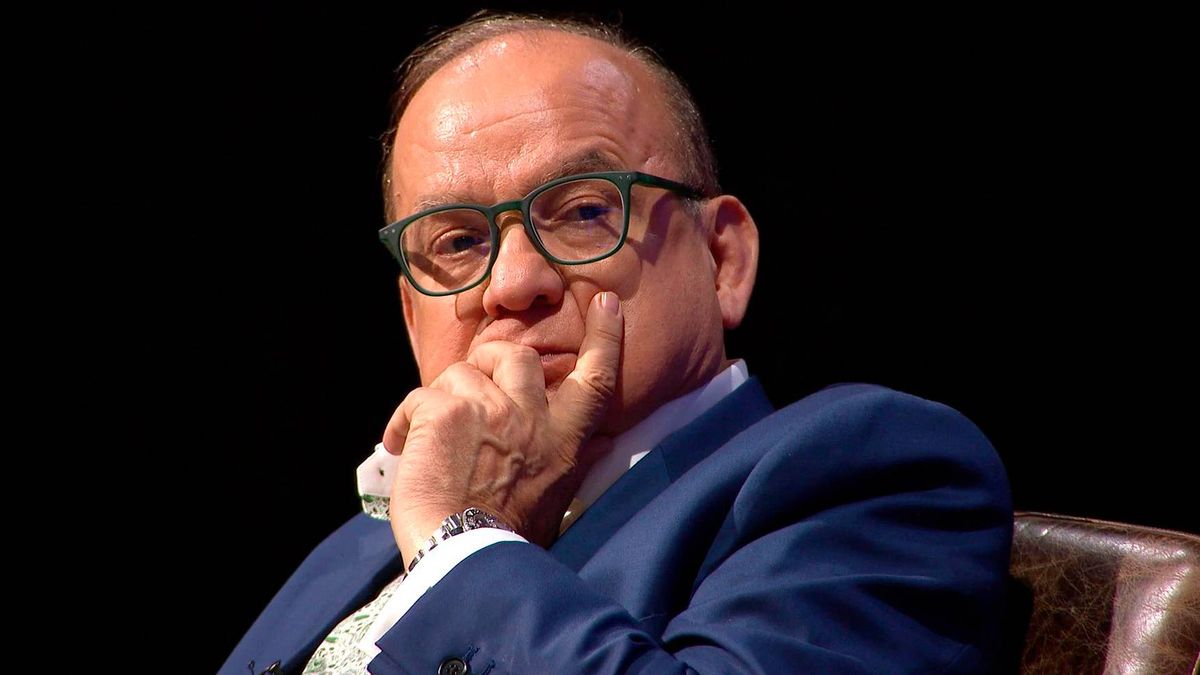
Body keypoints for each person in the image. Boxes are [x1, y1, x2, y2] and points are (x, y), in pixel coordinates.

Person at [222, 11, 1013, 675]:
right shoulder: (368, 534)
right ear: (410, 315)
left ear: (722, 260)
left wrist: (458, 541)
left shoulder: (870, 473)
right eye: (459, 241)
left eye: (583, 211)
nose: (512, 283)